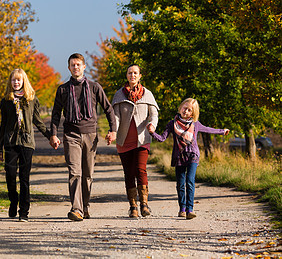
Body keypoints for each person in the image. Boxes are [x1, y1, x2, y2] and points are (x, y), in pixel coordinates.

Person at [49, 53, 116, 221]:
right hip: (71, 135)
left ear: (84, 67)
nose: (75, 67)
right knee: (75, 172)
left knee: (87, 175)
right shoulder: (63, 89)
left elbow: (108, 109)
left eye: (78, 64)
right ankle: (76, 208)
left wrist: (112, 130)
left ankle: (85, 206)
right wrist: (53, 134)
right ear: (69, 67)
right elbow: (56, 114)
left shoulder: (94, 87)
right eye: (72, 65)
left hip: (90, 135)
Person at [147, 98, 229, 219]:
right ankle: (182, 209)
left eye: (189, 110)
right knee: (180, 184)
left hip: (192, 155)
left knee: (190, 181)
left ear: (193, 113)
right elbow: (162, 138)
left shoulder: (195, 124)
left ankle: (190, 209)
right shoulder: (172, 123)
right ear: (180, 108)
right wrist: (152, 132)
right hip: (179, 156)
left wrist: (222, 131)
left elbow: (208, 129)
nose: (186, 111)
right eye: (184, 108)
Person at [0, 68, 56, 222]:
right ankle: (13, 201)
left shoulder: (31, 99)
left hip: (27, 142)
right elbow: (3, 125)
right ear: (10, 82)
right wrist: (0, 147)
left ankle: (24, 211)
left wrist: (50, 136)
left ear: (24, 81)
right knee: (10, 175)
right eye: (13, 80)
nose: (16, 82)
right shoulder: (6, 101)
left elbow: (38, 121)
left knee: (24, 178)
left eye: (19, 80)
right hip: (10, 142)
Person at [111, 64, 159, 218]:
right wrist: (113, 131)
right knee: (129, 173)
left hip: (142, 139)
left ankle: (144, 204)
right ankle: (133, 206)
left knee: (141, 170)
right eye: (130, 73)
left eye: (135, 73)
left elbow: (154, 115)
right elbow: (116, 117)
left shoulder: (147, 94)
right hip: (124, 140)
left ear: (140, 76)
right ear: (126, 75)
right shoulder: (119, 95)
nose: (132, 75)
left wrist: (152, 125)